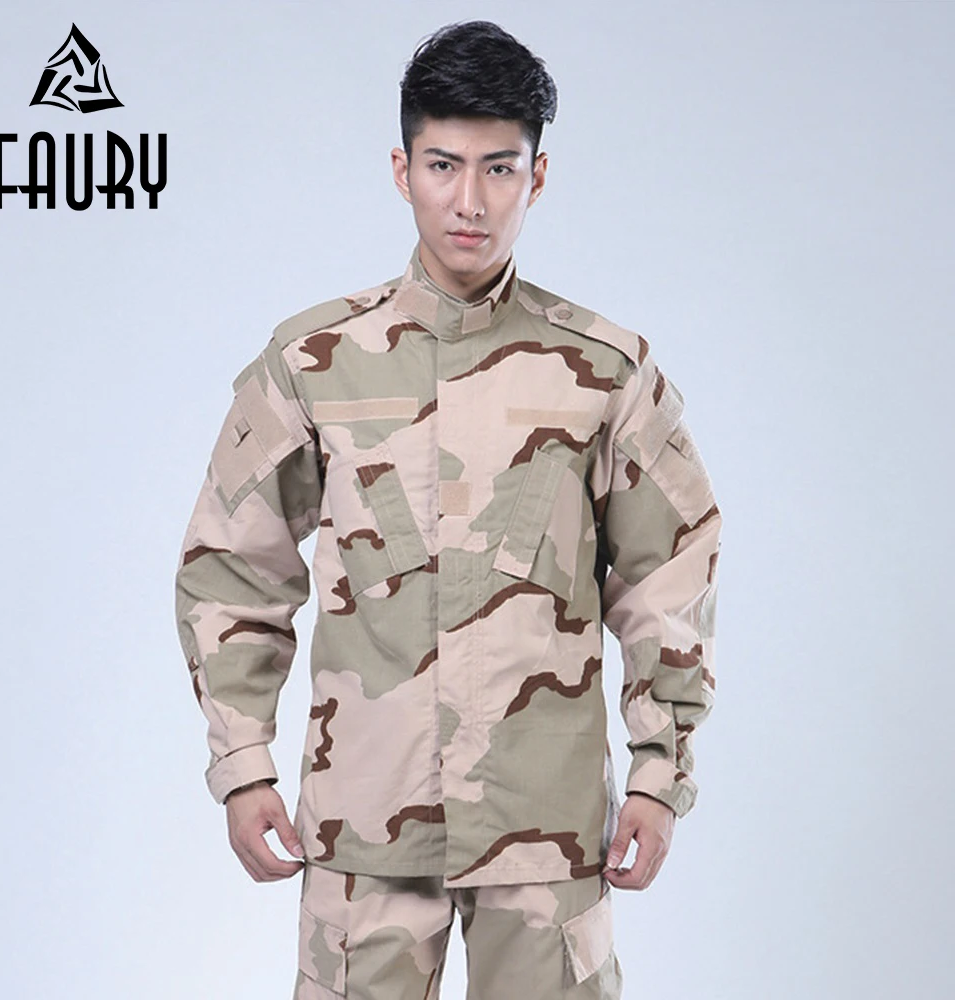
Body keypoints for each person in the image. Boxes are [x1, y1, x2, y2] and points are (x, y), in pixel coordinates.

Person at [174, 18, 722, 999]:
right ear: (403, 170)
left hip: (543, 832)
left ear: (536, 178)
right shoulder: (313, 362)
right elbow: (233, 569)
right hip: (365, 827)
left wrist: (658, 772)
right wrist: (242, 761)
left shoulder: (605, 372)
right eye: (443, 166)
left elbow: (666, 575)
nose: (469, 201)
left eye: (498, 169)